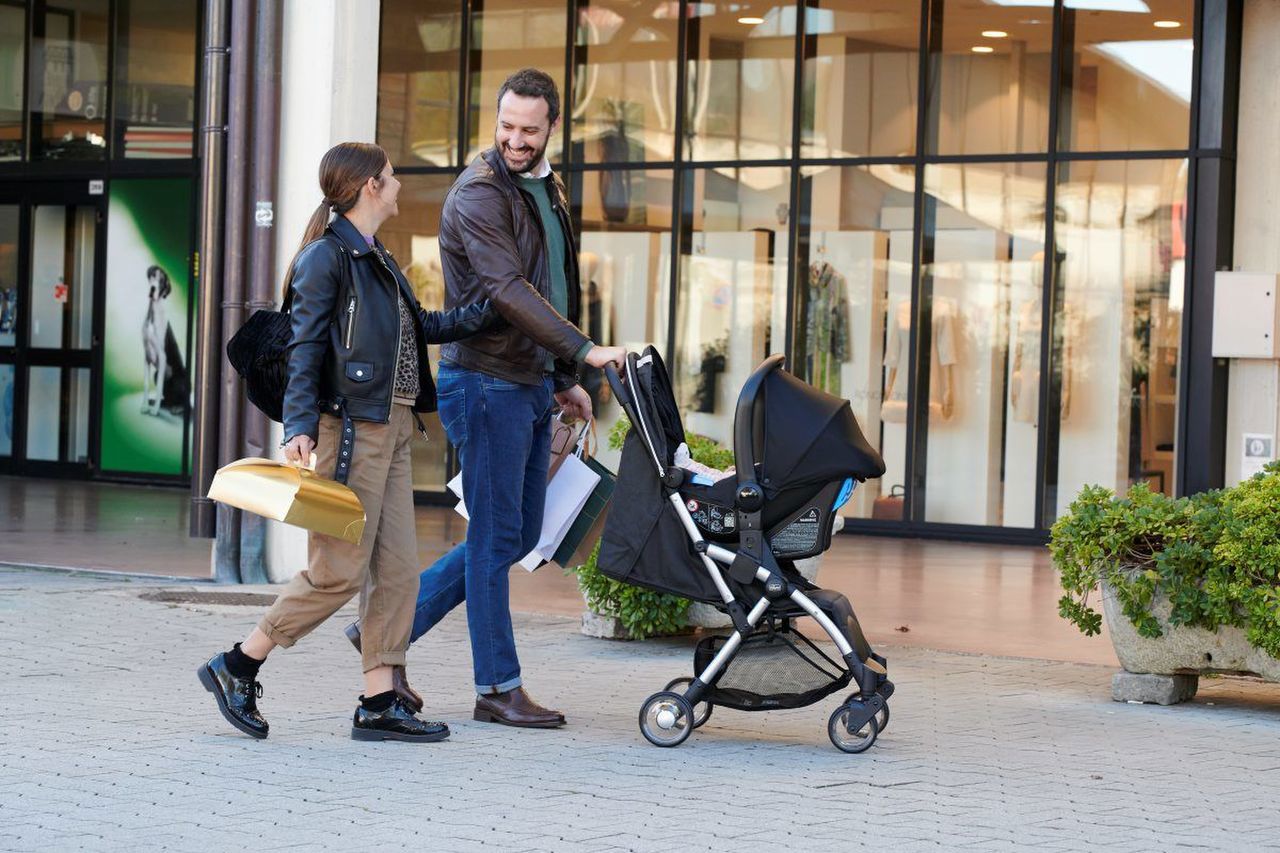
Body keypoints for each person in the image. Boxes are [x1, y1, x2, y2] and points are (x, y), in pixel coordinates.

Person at [345, 69, 626, 728]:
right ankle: (496, 685)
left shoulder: (545, 188)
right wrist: (585, 352)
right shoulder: (479, 193)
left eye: (529, 129)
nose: (516, 140)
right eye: (507, 127)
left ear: (552, 126)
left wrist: (564, 378)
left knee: (518, 533)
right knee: (499, 535)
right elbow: (506, 289)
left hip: (528, 382)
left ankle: (389, 631)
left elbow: (553, 288)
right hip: (486, 381)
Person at [198, 142, 499, 743]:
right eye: (389, 178)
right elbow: (306, 345)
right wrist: (301, 425)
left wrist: (495, 312)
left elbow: (422, 329)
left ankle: (379, 701)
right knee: (337, 571)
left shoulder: (376, 258)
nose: (396, 186)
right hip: (349, 432)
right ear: (368, 188)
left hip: (391, 429)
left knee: (398, 572)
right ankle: (238, 663)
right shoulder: (327, 258)